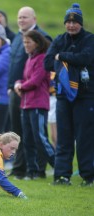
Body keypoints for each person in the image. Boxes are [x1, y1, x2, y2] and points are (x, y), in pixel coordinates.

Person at [44, 3, 94, 186]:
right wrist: (70, 58)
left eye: (75, 22)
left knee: (84, 137)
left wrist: (62, 56)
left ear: (81, 23)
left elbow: (86, 58)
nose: (71, 25)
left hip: (85, 95)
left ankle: (88, 176)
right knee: (63, 137)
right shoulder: (59, 39)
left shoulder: (90, 39)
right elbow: (48, 62)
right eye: (68, 22)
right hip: (63, 94)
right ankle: (62, 175)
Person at [7, 6, 52, 179]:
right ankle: (20, 168)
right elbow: (14, 64)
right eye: (19, 17)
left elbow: (40, 71)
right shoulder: (19, 38)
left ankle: (40, 169)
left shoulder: (42, 37)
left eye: (25, 17)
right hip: (16, 91)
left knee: (36, 134)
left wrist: (21, 85)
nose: (21, 20)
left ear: (34, 19)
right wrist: (13, 85)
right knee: (19, 133)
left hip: (33, 94)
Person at [14, 30, 55, 180]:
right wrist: (18, 83)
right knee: (28, 139)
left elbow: (35, 81)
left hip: (38, 104)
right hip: (26, 104)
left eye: (28, 42)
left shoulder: (43, 58)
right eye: (24, 42)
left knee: (40, 138)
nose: (25, 45)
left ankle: (60, 167)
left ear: (37, 43)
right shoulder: (29, 59)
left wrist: (20, 86)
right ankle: (33, 171)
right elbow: (24, 79)